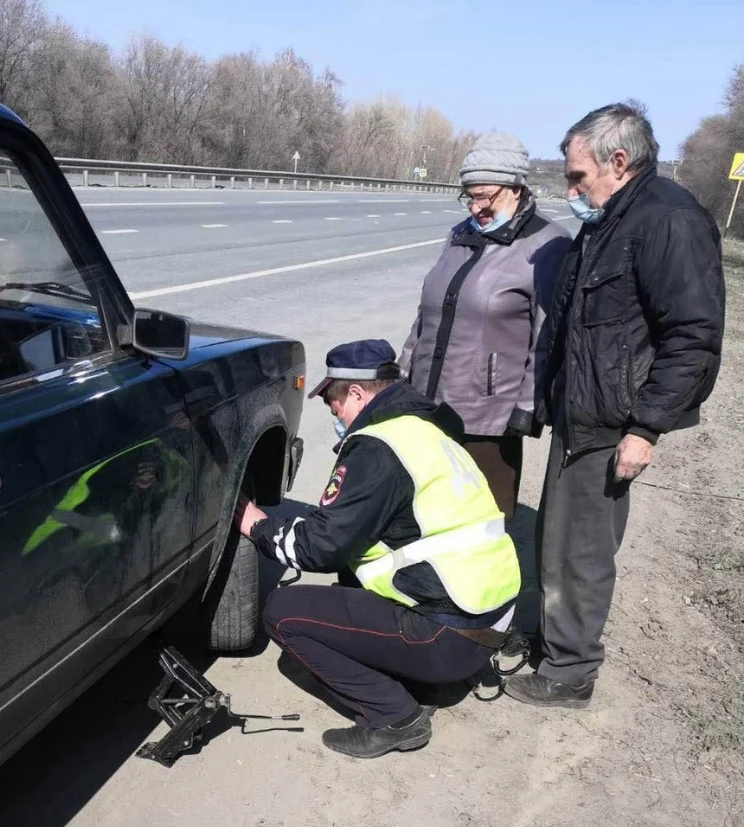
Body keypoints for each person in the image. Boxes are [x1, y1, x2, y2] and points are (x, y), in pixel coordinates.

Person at [503, 103, 726, 708]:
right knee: (556, 538)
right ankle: (553, 641)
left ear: (618, 162)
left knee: (582, 551)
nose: (571, 189)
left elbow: (693, 336)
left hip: (613, 420)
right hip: (582, 412)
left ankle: (569, 672)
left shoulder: (669, 221)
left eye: (577, 176)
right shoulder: (610, 217)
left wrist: (647, 426)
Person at [234, 339, 521, 758]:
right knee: (346, 585)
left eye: (333, 399)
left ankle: (395, 717)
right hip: (488, 623)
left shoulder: (376, 447)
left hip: (447, 638)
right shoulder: (425, 429)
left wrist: (256, 525)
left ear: (355, 392)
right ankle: (425, 678)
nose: (332, 412)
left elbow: (318, 548)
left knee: (284, 612)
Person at [399, 131, 572, 519]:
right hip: (427, 405)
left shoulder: (548, 245)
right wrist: (402, 376)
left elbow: (548, 339)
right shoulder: (460, 235)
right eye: (469, 195)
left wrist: (527, 409)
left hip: (489, 420)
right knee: (421, 518)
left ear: (516, 188)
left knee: (479, 529)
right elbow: (428, 315)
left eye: (484, 196)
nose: (475, 207)